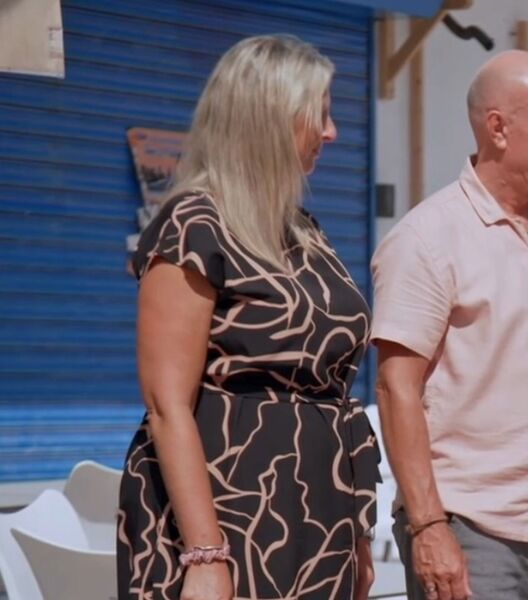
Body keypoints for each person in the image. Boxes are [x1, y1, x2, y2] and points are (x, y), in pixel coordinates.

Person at [118, 34, 379, 600]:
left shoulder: (304, 231)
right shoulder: (193, 224)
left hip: (316, 509)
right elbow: (167, 405)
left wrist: (354, 530)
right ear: (269, 118)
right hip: (228, 508)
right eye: (319, 114)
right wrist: (205, 555)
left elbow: (329, 395)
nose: (332, 132)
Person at [370, 50, 528, 600]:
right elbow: (396, 387)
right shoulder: (426, 239)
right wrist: (429, 527)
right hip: (472, 535)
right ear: (498, 128)